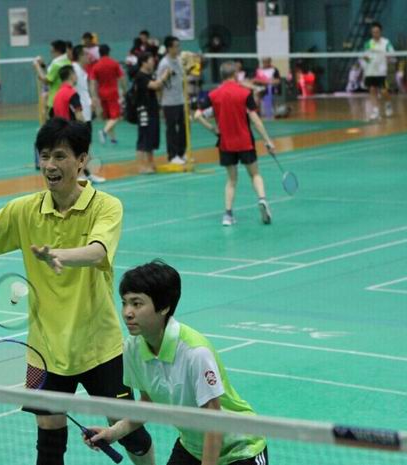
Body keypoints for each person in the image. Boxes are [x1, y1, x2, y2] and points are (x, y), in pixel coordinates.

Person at [0, 118, 152, 465]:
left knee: (130, 433)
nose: (49, 165)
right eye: (44, 156)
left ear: (82, 160)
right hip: (42, 351)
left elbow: (98, 252)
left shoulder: (105, 206)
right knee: (48, 444)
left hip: (100, 346)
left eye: (60, 156)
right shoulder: (25, 210)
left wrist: (60, 255)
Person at [86, 261, 269, 465]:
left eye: (137, 304)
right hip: (193, 447)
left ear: (164, 307)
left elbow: (214, 422)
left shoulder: (195, 353)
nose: (127, 312)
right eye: (124, 303)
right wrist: (113, 433)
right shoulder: (133, 348)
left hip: (240, 448)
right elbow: (148, 401)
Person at [194, 61, 275, 227]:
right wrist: (268, 141)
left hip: (226, 143)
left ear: (222, 76)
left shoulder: (213, 94)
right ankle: (262, 199)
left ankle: (228, 215)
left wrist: (213, 129)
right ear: (235, 75)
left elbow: (197, 115)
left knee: (231, 180)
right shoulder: (245, 93)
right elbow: (255, 120)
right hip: (245, 142)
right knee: (255, 174)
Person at [72, 46, 105, 184]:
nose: (89, 57)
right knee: (81, 146)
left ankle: (88, 174)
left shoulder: (83, 70)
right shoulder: (74, 69)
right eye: (86, 54)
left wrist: (91, 101)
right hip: (80, 114)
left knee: (87, 145)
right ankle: (80, 175)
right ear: (79, 56)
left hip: (87, 113)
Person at [134, 52, 170, 174]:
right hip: (144, 111)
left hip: (153, 110)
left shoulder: (150, 75)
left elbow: (158, 88)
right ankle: (140, 166)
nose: (153, 62)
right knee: (143, 138)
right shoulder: (140, 76)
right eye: (150, 60)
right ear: (144, 62)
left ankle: (150, 163)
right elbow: (155, 85)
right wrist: (165, 75)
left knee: (151, 139)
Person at [157, 36, 187, 165]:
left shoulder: (179, 60)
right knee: (171, 129)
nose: (178, 48)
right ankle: (172, 155)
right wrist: (160, 103)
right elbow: (159, 83)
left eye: (179, 46)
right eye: (176, 46)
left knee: (184, 127)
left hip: (181, 100)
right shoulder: (164, 63)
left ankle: (181, 153)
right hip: (169, 102)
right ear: (169, 48)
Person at [90, 44, 126, 145]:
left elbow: (92, 83)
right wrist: (124, 90)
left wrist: (94, 96)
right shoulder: (114, 63)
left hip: (101, 94)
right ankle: (104, 132)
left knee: (109, 117)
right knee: (116, 117)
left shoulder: (96, 66)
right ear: (108, 52)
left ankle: (113, 139)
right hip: (113, 93)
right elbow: (122, 78)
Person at [364, 22, 394, 120]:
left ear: (380, 32)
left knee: (384, 91)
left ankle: (388, 104)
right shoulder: (368, 43)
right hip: (371, 71)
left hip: (382, 71)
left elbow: (392, 53)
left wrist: (388, 57)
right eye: (373, 32)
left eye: (377, 32)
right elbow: (365, 57)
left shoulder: (386, 42)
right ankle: (375, 111)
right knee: (372, 90)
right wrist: (367, 59)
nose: (375, 34)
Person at [33, 40, 71, 111]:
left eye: (52, 50)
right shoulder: (68, 62)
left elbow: (46, 81)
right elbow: (51, 74)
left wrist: (37, 66)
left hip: (56, 99)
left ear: (57, 50)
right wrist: (42, 66)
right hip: (67, 98)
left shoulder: (56, 64)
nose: (51, 51)